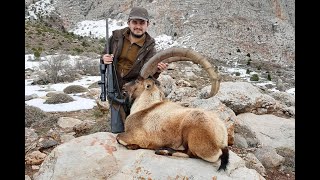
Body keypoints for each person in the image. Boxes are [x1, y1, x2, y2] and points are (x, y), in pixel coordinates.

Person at [100, 7, 168, 132]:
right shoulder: (115, 38)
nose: (138, 26)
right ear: (128, 23)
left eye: (142, 23)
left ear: (147, 24)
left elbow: (149, 76)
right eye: (135, 22)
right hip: (115, 86)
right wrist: (104, 58)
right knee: (117, 130)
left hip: (135, 90)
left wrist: (158, 70)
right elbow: (104, 54)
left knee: (136, 128)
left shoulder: (150, 48)